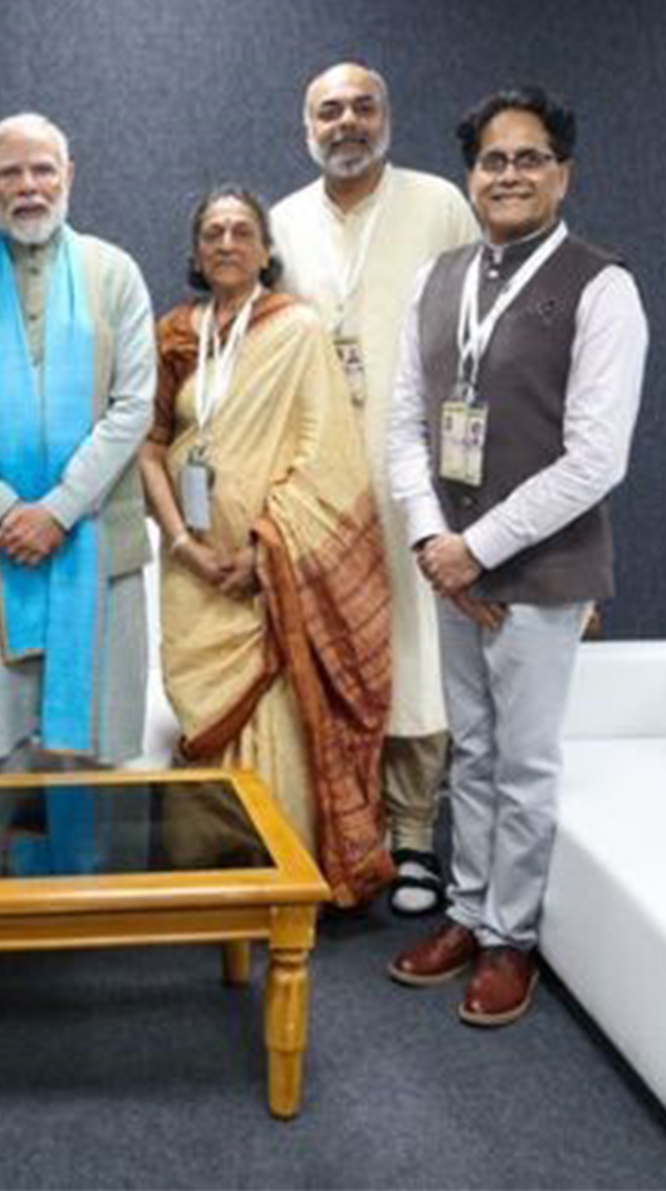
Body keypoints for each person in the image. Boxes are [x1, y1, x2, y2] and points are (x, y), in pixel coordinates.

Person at [386, 88, 647, 1026]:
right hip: (453, 571)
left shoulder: (601, 285)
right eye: (493, 161)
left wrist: (475, 550)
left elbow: (596, 457)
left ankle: (510, 940)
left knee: (525, 762)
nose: (509, 175)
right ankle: (467, 909)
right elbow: (406, 428)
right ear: (471, 177)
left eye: (529, 158)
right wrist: (431, 541)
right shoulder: (440, 278)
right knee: (476, 754)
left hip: (541, 575)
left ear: (562, 173)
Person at [0, 112, 154, 877]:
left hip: (91, 543)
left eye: (43, 170)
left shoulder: (116, 273)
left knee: (86, 738)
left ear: (69, 176)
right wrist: (3, 509)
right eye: (12, 173)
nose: (28, 187)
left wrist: (57, 509)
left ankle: (86, 894)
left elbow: (134, 404)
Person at [140, 186, 395, 907]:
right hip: (193, 564)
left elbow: (325, 452)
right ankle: (205, 866)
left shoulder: (297, 330)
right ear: (195, 251)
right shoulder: (176, 335)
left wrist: (266, 547)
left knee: (277, 709)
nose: (226, 243)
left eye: (240, 231)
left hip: (271, 567)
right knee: (202, 706)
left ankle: (277, 870)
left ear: (264, 248)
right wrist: (183, 541)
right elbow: (150, 446)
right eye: (212, 232)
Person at [271, 62, 481, 916]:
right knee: (330, 654)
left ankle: (414, 838)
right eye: (329, 110)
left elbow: (482, 332)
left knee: (417, 655)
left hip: (417, 476)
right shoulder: (281, 221)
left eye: (363, 107)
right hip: (319, 479)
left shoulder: (438, 205)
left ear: (387, 116)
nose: (346, 122)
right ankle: (341, 832)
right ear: (307, 125)